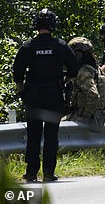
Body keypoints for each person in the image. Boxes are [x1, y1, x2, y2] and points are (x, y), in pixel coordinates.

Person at [12, 9, 78, 182]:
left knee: (33, 135)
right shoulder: (61, 46)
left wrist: (22, 91)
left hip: (33, 96)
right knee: (51, 135)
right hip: (54, 96)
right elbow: (74, 69)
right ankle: (49, 173)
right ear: (52, 24)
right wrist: (65, 82)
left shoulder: (27, 46)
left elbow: (17, 72)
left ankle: (31, 172)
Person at [64, 37, 105, 125]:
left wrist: (85, 116)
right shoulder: (99, 71)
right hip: (97, 120)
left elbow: (93, 94)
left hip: (80, 117)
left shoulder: (83, 72)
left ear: (78, 55)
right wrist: (101, 115)